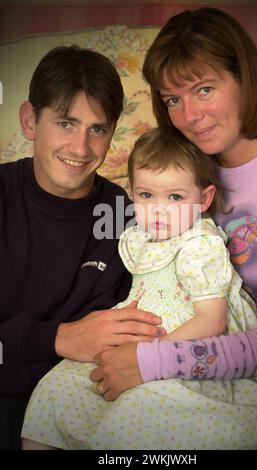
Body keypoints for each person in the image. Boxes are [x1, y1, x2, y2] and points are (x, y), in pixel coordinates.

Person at [88, 7, 257, 449]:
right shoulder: (179, 171)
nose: (189, 116)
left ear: (245, 80)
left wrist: (151, 360)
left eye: (204, 89)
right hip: (182, 345)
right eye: (172, 99)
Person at [22, 126, 257, 450]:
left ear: (203, 199)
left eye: (176, 197)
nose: (159, 209)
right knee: (55, 390)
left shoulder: (200, 243)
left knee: (141, 412)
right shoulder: (139, 235)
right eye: (147, 195)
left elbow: (212, 321)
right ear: (133, 191)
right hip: (141, 338)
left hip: (187, 345)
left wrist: (149, 355)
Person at [0, 45, 166, 450]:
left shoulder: (128, 217)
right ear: (29, 121)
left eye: (98, 129)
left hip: (79, 406)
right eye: (65, 123)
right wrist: (56, 338)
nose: (80, 148)